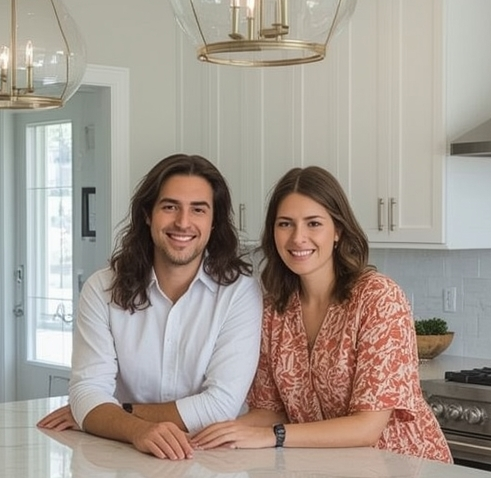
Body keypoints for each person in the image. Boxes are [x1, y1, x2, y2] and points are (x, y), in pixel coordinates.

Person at [192, 165, 452, 463]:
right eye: (285, 224)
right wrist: (210, 437)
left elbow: (367, 427)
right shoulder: (274, 309)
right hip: (327, 472)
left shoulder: (378, 298)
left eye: (313, 223)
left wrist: (273, 436)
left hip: (401, 472)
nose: (297, 238)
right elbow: (271, 410)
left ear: (338, 230)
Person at [37, 153, 262, 459]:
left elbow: (220, 405)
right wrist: (135, 430)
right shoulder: (101, 289)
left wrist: (116, 413)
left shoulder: (239, 292)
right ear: (147, 214)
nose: (183, 222)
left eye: (198, 209)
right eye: (170, 207)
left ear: (213, 222)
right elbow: (86, 393)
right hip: (121, 457)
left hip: (212, 462)